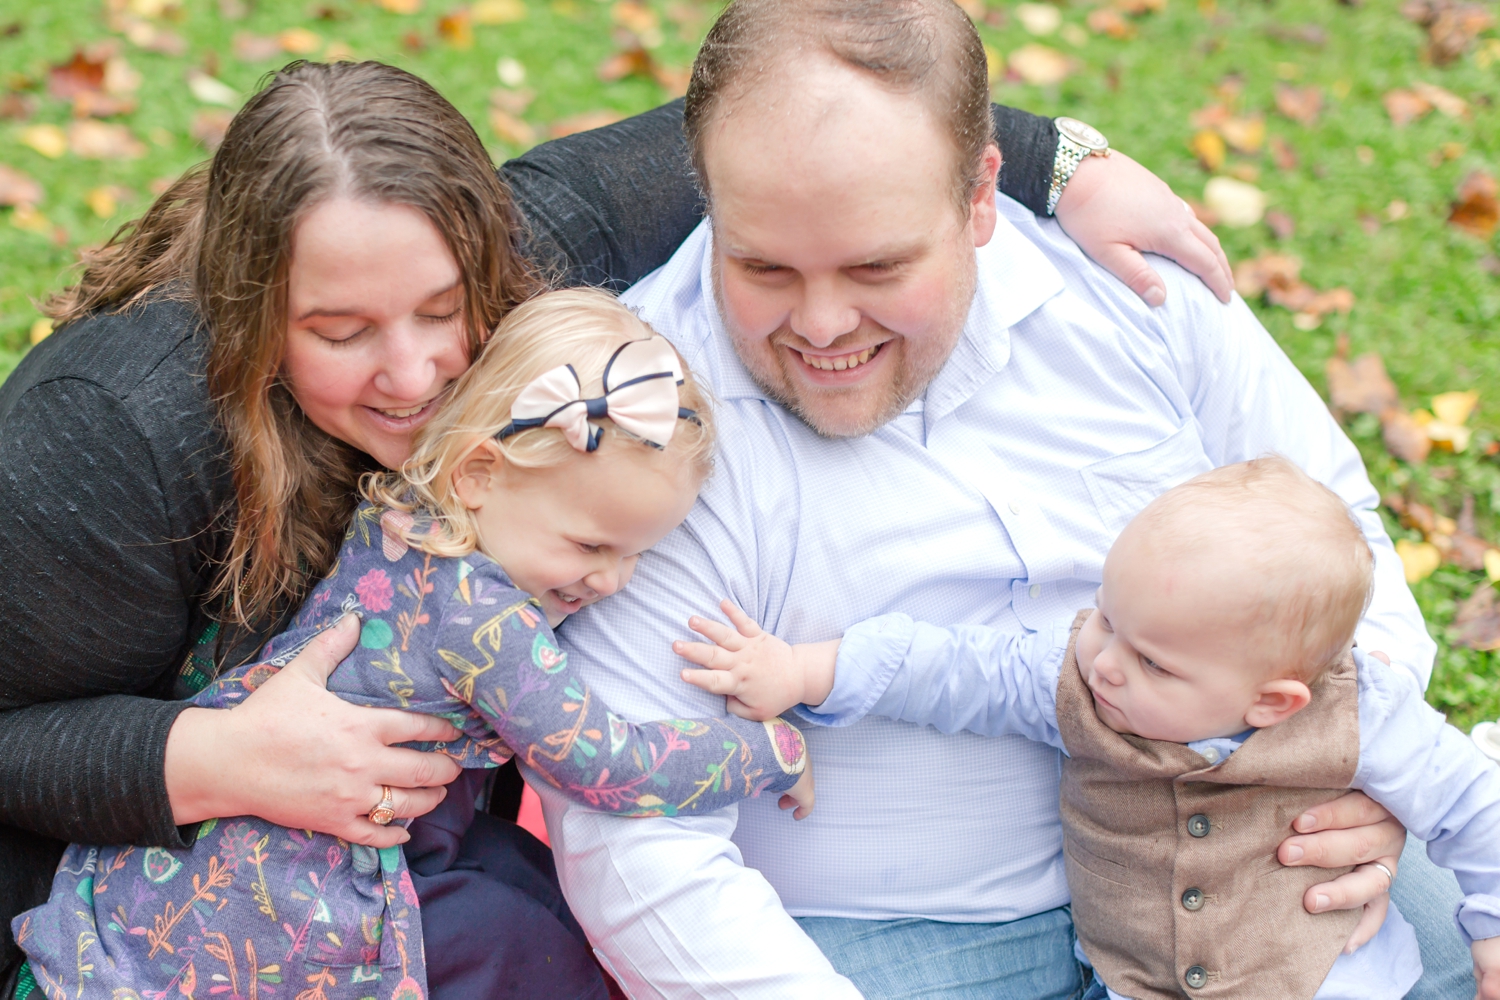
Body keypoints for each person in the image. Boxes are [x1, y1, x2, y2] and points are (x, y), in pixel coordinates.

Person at [0, 46, 1267, 1000]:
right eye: (339, 332)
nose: (419, 371)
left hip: (403, 845)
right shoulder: (111, 436)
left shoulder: (538, 277)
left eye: (447, 307)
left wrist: (1064, 165)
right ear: (244, 303)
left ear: (493, 254)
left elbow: (807, 99)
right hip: (140, 899)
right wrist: (205, 761)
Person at [538, 1, 1474, 997]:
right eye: (762, 264)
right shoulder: (644, 413)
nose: (820, 325)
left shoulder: (1131, 294)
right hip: (896, 936)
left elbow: (1335, 532)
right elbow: (641, 845)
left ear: (982, 195)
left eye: (878, 266)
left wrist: (1360, 775)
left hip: (1251, 848)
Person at [12, 289, 812, 1000]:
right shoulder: (484, 620)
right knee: (526, 946)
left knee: (526, 881)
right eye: (591, 547)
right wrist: (767, 750)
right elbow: (605, 762)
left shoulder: (400, 519)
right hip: (316, 874)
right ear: (479, 475)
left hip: (299, 834)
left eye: (639, 556)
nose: (612, 582)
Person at [675, 456, 1500, 1000]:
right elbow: (950, 667)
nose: (1107, 662)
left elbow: (1474, 805)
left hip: (1328, 979)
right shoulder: (1079, 681)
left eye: (1155, 664)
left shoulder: (1363, 714)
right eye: (1105, 619)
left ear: (1273, 703)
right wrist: (807, 671)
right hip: (1136, 980)